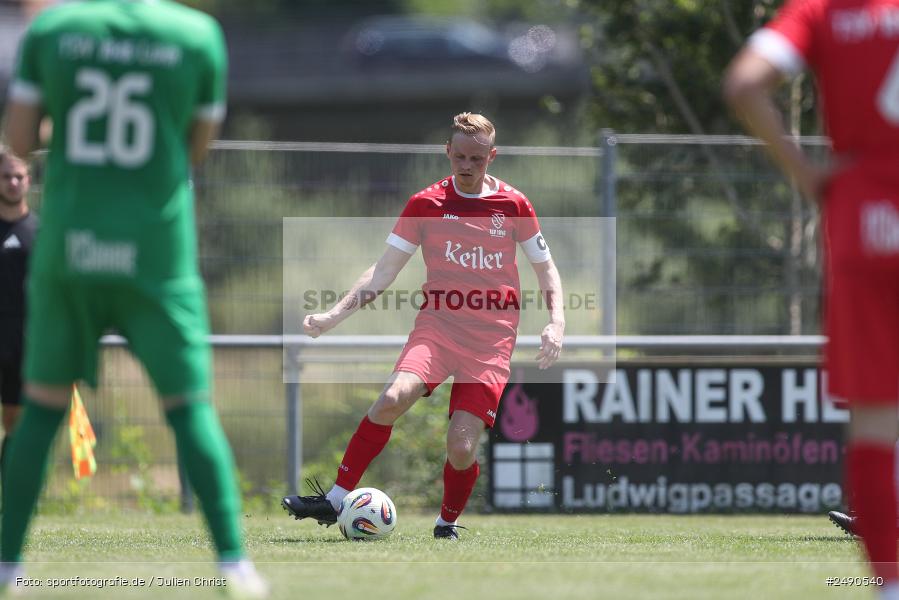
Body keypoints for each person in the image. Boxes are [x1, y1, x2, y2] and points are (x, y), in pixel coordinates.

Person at [0, 1, 268, 596]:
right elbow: (196, 147)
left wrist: (65, 124)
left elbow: (18, 139)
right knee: (189, 407)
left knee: (41, 408)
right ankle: (235, 567)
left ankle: (7, 568)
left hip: (70, 244)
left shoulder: (53, 30)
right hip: (155, 251)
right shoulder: (196, 34)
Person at [282, 112, 565, 539]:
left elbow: (546, 269)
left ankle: (446, 523)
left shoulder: (514, 204)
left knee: (461, 446)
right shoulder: (425, 204)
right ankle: (337, 499)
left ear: (493, 156)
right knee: (394, 395)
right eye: (460, 157)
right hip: (438, 327)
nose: (467, 166)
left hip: (491, 341)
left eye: (477, 158)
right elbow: (382, 272)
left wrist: (556, 322)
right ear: (447, 152)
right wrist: (331, 316)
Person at [725, 1, 899, 597]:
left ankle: (890, 586)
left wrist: (808, 174)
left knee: (876, 418)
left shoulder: (824, 10)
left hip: (865, 217)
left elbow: (746, 82)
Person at [0, 148, 37, 477]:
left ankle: (8, 497)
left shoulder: (40, 233)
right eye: (6, 176)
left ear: (28, 180)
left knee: (15, 423)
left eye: (19, 176)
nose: (12, 182)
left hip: (22, 346)